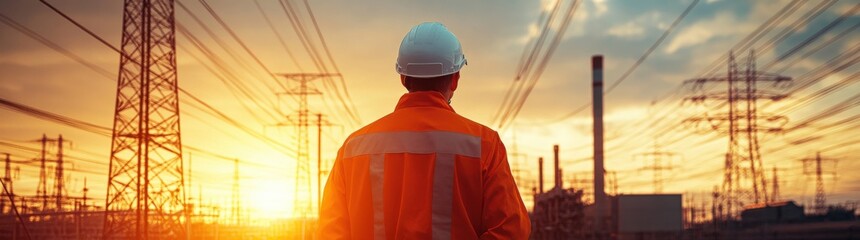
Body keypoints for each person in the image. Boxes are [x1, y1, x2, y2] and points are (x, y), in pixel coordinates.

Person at [317, 22, 530, 239]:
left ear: (402, 77)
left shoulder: (354, 148)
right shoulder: (484, 145)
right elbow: (510, 231)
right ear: (455, 79)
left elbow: (330, 233)